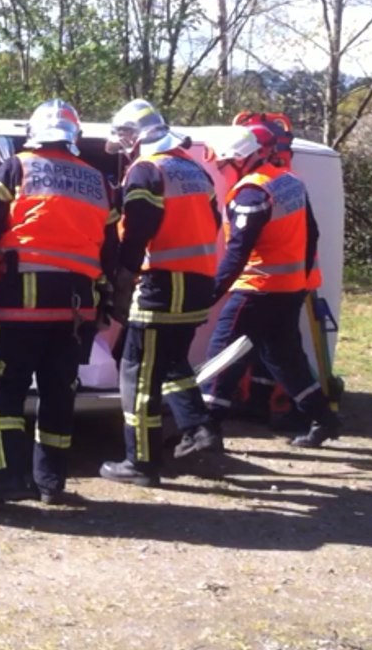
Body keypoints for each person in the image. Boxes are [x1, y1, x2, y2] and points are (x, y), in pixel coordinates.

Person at [0, 98, 119, 508]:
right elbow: (112, 249)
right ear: (74, 137)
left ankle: (12, 477)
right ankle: (51, 483)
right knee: (59, 391)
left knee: (4, 388)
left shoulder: (17, 166)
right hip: (76, 308)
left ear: (34, 133)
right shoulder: (98, 180)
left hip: (22, 301)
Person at [181, 116, 342, 453]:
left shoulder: (251, 193)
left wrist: (210, 295)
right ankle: (322, 419)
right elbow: (312, 233)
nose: (222, 172)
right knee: (286, 359)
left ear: (239, 160)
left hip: (255, 290)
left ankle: (206, 429)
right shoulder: (289, 181)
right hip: (289, 289)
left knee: (221, 356)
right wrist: (301, 278)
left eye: (223, 165)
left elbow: (238, 252)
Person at [96, 99, 221, 487]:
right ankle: (200, 429)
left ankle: (141, 462)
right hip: (198, 283)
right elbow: (215, 221)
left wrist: (121, 280)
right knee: (172, 362)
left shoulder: (147, 171)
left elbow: (136, 232)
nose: (124, 150)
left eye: (124, 142)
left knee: (137, 374)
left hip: (161, 285)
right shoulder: (194, 170)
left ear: (134, 137)